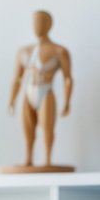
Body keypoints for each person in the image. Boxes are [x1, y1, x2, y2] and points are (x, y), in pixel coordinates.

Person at [7, 9, 73, 168]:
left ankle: (47, 160)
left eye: (40, 22)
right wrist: (11, 100)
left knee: (47, 128)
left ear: (49, 25)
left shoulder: (59, 51)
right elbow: (16, 78)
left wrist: (67, 101)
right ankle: (28, 158)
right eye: (34, 22)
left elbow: (67, 78)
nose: (36, 26)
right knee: (27, 128)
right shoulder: (23, 51)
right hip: (28, 92)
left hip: (45, 91)